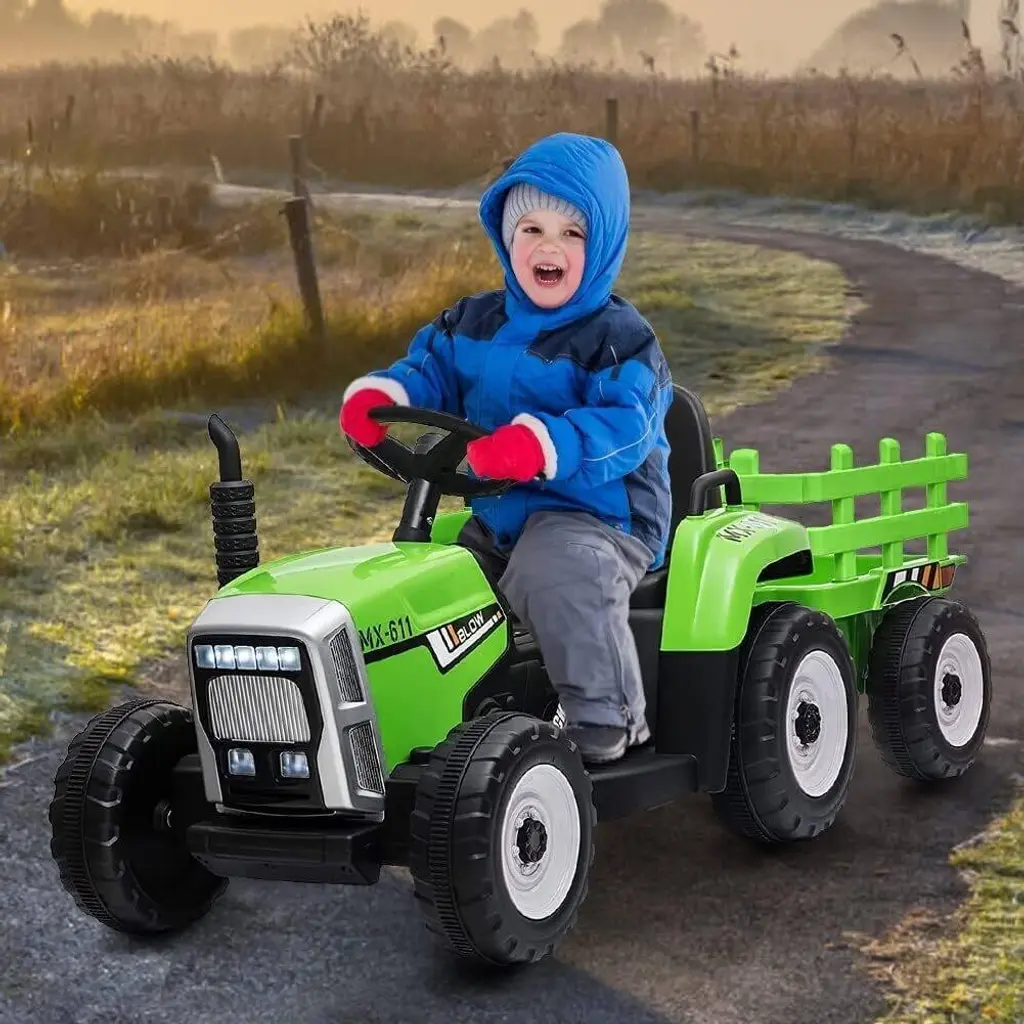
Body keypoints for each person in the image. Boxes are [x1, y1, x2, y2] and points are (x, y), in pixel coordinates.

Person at [339, 132, 674, 765]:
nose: (549, 247)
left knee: (557, 569)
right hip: (500, 518)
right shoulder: (473, 322)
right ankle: (419, 726)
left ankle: (606, 719)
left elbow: (625, 427)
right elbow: (430, 372)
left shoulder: (621, 341)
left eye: (572, 234)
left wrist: (539, 447)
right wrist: (382, 397)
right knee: (428, 588)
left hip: (603, 519)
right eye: (532, 229)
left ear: (603, 244)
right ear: (505, 236)